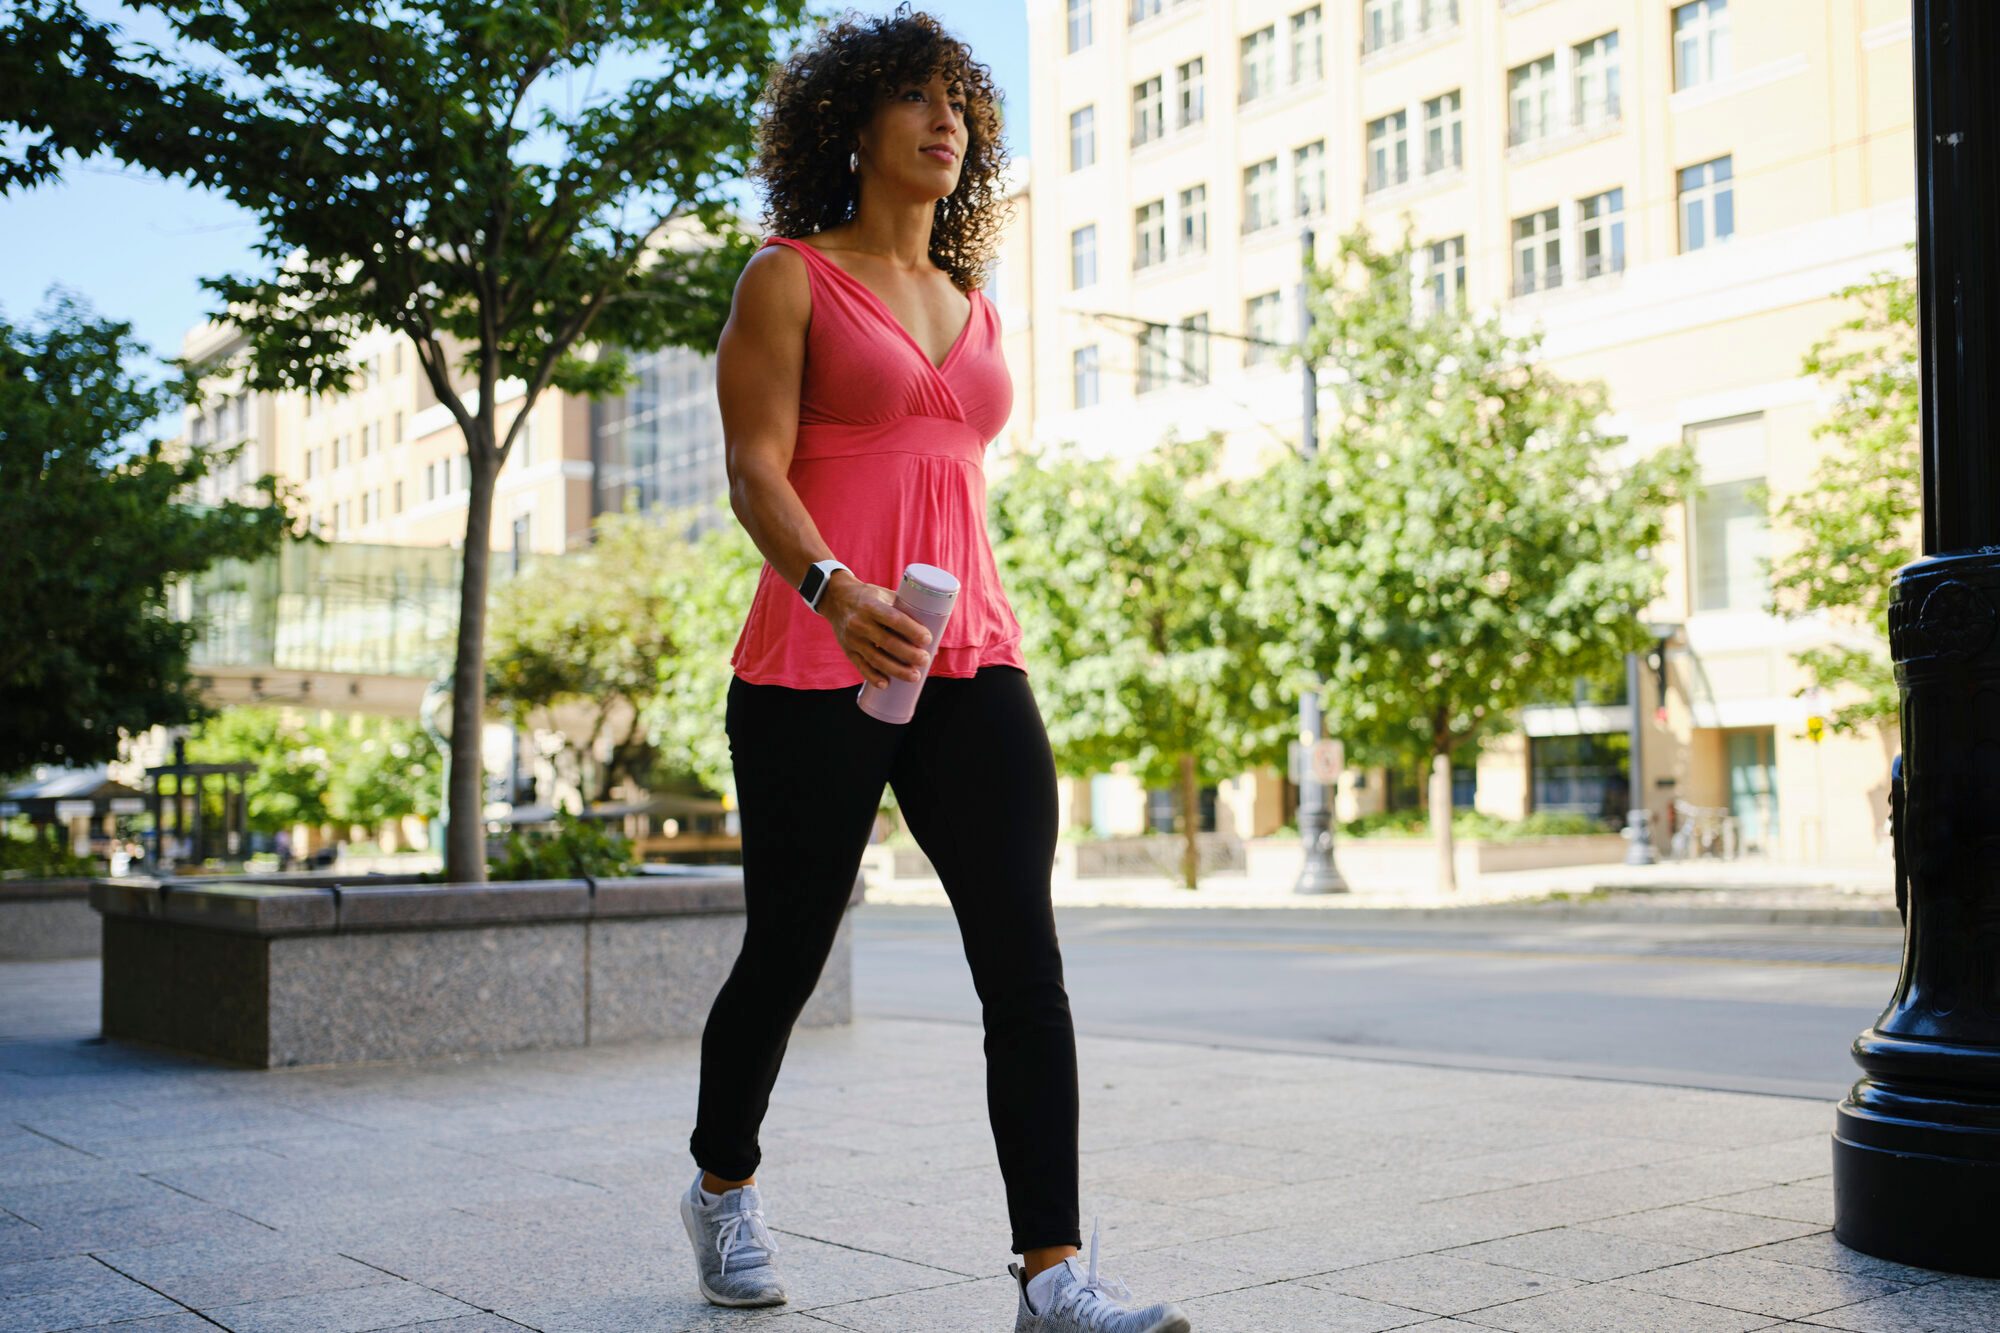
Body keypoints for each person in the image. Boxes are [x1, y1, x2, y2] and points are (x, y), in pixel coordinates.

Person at [679, 8, 1191, 1332]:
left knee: (1023, 961)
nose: (945, 117)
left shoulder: (980, 308)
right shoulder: (786, 276)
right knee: (788, 949)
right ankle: (722, 1183)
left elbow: (941, 478)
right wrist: (835, 589)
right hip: (814, 657)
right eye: (913, 97)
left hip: (972, 658)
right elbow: (753, 470)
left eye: (958, 97)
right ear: (852, 129)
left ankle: (1054, 1276)